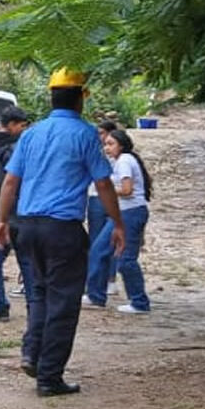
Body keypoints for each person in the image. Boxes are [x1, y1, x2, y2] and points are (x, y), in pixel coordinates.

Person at [0, 67, 123, 397]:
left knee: (38, 293)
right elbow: (104, 183)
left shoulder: (32, 133)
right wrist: (118, 223)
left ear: (51, 96)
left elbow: (11, 181)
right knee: (64, 301)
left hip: (27, 226)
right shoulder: (84, 135)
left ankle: (33, 353)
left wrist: (1, 220)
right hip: (62, 229)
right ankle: (49, 377)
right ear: (81, 98)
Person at [84, 130, 153, 314]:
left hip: (130, 213)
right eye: (105, 144)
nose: (107, 148)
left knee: (126, 259)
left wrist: (106, 191)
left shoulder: (124, 161)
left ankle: (139, 301)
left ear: (121, 145)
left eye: (111, 144)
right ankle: (95, 295)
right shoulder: (120, 161)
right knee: (99, 250)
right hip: (122, 213)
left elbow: (127, 189)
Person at [0, 106, 32, 321]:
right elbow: (10, 184)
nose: (25, 128)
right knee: (27, 261)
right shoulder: (21, 148)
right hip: (21, 210)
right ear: (11, 125)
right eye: (22, 125)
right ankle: (33, 305)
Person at [84, 121, 120, 295]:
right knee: (96, 240)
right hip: (95, 198)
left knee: (110, 240)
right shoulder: (95, 151)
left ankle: (110, 279)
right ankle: (96, 279)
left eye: (102, 133)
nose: (100, 137)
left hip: (110, 198)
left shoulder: (120, 156)